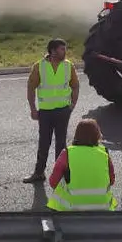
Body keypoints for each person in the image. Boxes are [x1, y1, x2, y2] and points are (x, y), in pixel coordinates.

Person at [46, 119, 116, 242]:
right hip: (99, 209)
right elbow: (112, 180)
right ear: (97, 135)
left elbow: (53, 181)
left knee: (74, 241)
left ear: (77, 135)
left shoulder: (67, 153)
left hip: (73, 209)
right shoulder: (104, 153)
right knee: (91, 240)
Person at [23, 38, 80, 183]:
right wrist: (33, 109)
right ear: (53, 51)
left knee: (61, 144)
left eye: (65, 49)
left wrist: (73, 104)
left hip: (63, 111)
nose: (65, 52)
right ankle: (39, 173)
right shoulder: (39, 66)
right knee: (44, 143)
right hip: (45, 112)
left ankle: (60, 173)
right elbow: (31, 88)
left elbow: (75, 85)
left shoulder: (68, 66)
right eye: (62, 49)